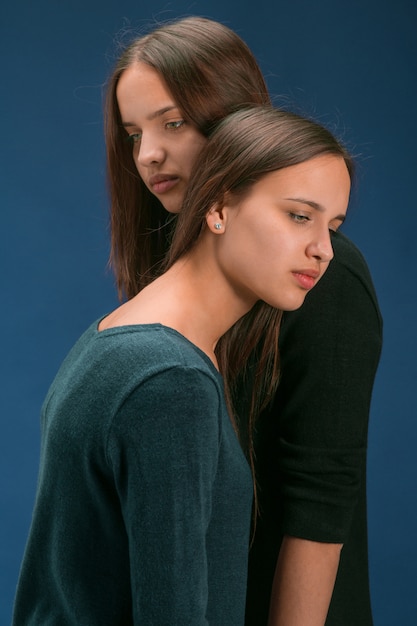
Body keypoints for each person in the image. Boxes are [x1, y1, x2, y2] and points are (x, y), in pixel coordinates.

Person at [12, 106, 352, 626]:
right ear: (218, 207)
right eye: (299, 216)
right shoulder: (171, 380)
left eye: (333, 226)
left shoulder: (122, 336)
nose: (323, 250)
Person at [103, 17, 382, 625]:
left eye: (173, 122)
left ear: (238, 119)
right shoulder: (171, 268)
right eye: (133, 133)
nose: (149, 153)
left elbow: (320, 498)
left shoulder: (322, 275)